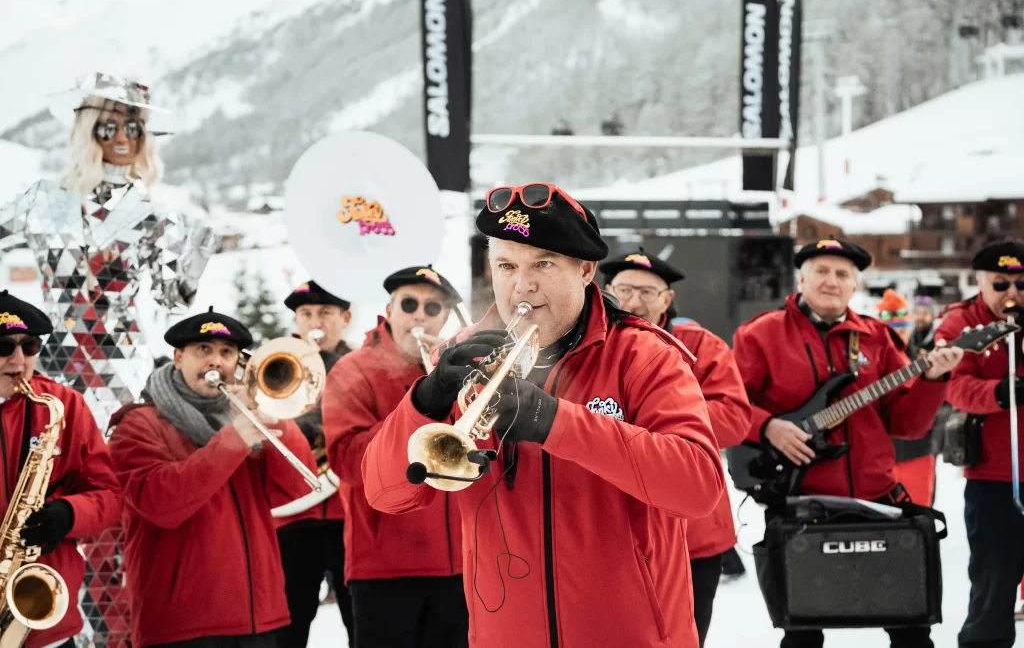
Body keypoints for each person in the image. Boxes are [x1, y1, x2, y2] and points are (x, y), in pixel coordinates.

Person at [362, 183, 724, 647]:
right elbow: (384, 493)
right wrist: (426, 399)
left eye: (543, 264)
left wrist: (557, 421)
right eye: (507, 266)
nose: (522, 285)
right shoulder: (461, 355)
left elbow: (698, 488)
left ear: (587, 270)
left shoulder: (644, 355)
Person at [0, 72, 216, 648]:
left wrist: (198, 251)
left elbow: (176, 300)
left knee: (117, 512)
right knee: (37, 495)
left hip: (123, 372)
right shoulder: (41, 201)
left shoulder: (155, 212)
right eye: (110, 123)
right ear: (85, 127)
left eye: (135, 126)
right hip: (53, 368)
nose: (123, 136)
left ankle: (118, 636)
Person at [733, 238, 963, 648]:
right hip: (799, 503)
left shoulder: (876, 338)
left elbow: (908, 425)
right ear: (801, 278)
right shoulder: (760, 335)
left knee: (912, 627)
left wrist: (933, 380)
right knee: (802, 633)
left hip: (878, 500)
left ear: (854, 286)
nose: (831, 281)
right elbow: (726, 407)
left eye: (842, 274)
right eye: (821, 270)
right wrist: (768, 427)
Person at [107, 308, 317, 648]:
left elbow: (295, 487)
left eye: (226, 353)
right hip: (181, 626)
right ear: (178, 357)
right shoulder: (138, 424)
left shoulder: (244, 416)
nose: (215, 361)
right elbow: (161, 504)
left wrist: (273, 409)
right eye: (203, 350)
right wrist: (232, 440)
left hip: (258, 618)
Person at [600, 250, 752, 648]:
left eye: (647, 292)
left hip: (694, 531)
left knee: (687, 636)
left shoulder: (702, 345)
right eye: (625, 290)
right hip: (613, 528)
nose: (634, 302)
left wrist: (654, 421)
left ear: (667, 299)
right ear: (607, 292)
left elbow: (735, 417)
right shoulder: (592, 344)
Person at [322, 265, 466, 648]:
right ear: (389, 310)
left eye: (433, 308)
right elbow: (348, 461)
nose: (421, 314)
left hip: (462, 568)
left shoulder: (461, 372)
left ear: (446, 319)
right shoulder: (353, 369)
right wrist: (419, 409)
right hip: (385, 570)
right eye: (409, 303)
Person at [0, 290, 123, 648]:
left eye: (30, 346)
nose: (19, 359)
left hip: (44, 621)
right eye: (4, 346)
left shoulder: (63, 405)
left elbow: (110, 493)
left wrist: (70, 514)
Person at [934, 239, 1024, 648]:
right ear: (981, 281)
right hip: (994, 476)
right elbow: (953, 385)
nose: (1013, 293)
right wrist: (1001, 394)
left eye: (1022, 284)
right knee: (993, 578)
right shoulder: (961, 322)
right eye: (1001, 284)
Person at [273, 280, 355, 646]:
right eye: (305, 314)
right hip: (294, 517)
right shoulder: (276, 367)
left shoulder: (360, 366)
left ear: (345, 318)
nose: (314, 321)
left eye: (324, 312)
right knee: (289, 624)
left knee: (360, 622)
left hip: (349, 515)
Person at [877, 289, 940, 507]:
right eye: (892, 330)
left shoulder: (922, 358)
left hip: (917, 453)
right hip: (876, 458)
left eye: (903, 328)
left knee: (918, 519)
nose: (899, 335)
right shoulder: (866, 363)